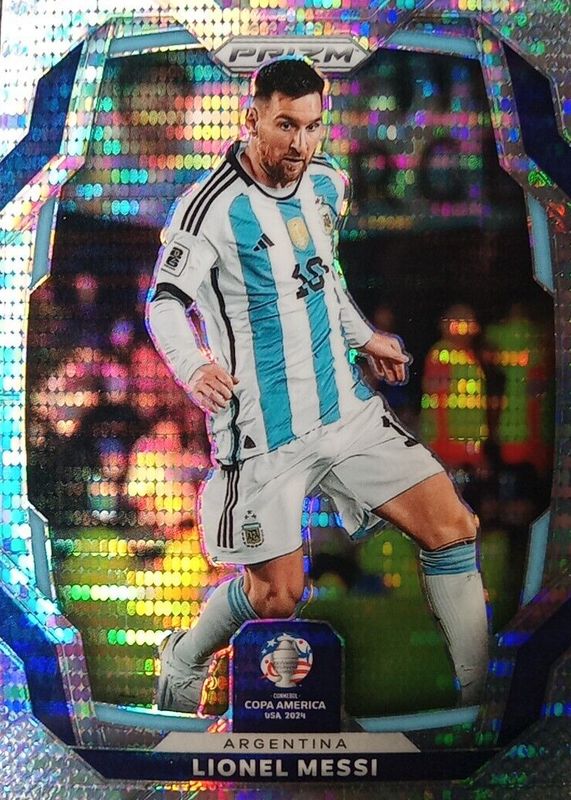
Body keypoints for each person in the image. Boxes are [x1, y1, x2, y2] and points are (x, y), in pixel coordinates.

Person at [146, 57, 489, 714]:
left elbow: (323, 277)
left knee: (452, 526)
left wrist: (363, 338)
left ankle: (480, 703)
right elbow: (163, 302)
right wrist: (192, 365)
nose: (300, 143)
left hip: (345, 413)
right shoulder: (208, 206)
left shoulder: (328, 183)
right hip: (264, 432)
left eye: (311, 127)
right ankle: (185, 656)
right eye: (285, 125)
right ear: (251, 118)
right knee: (277, 597)